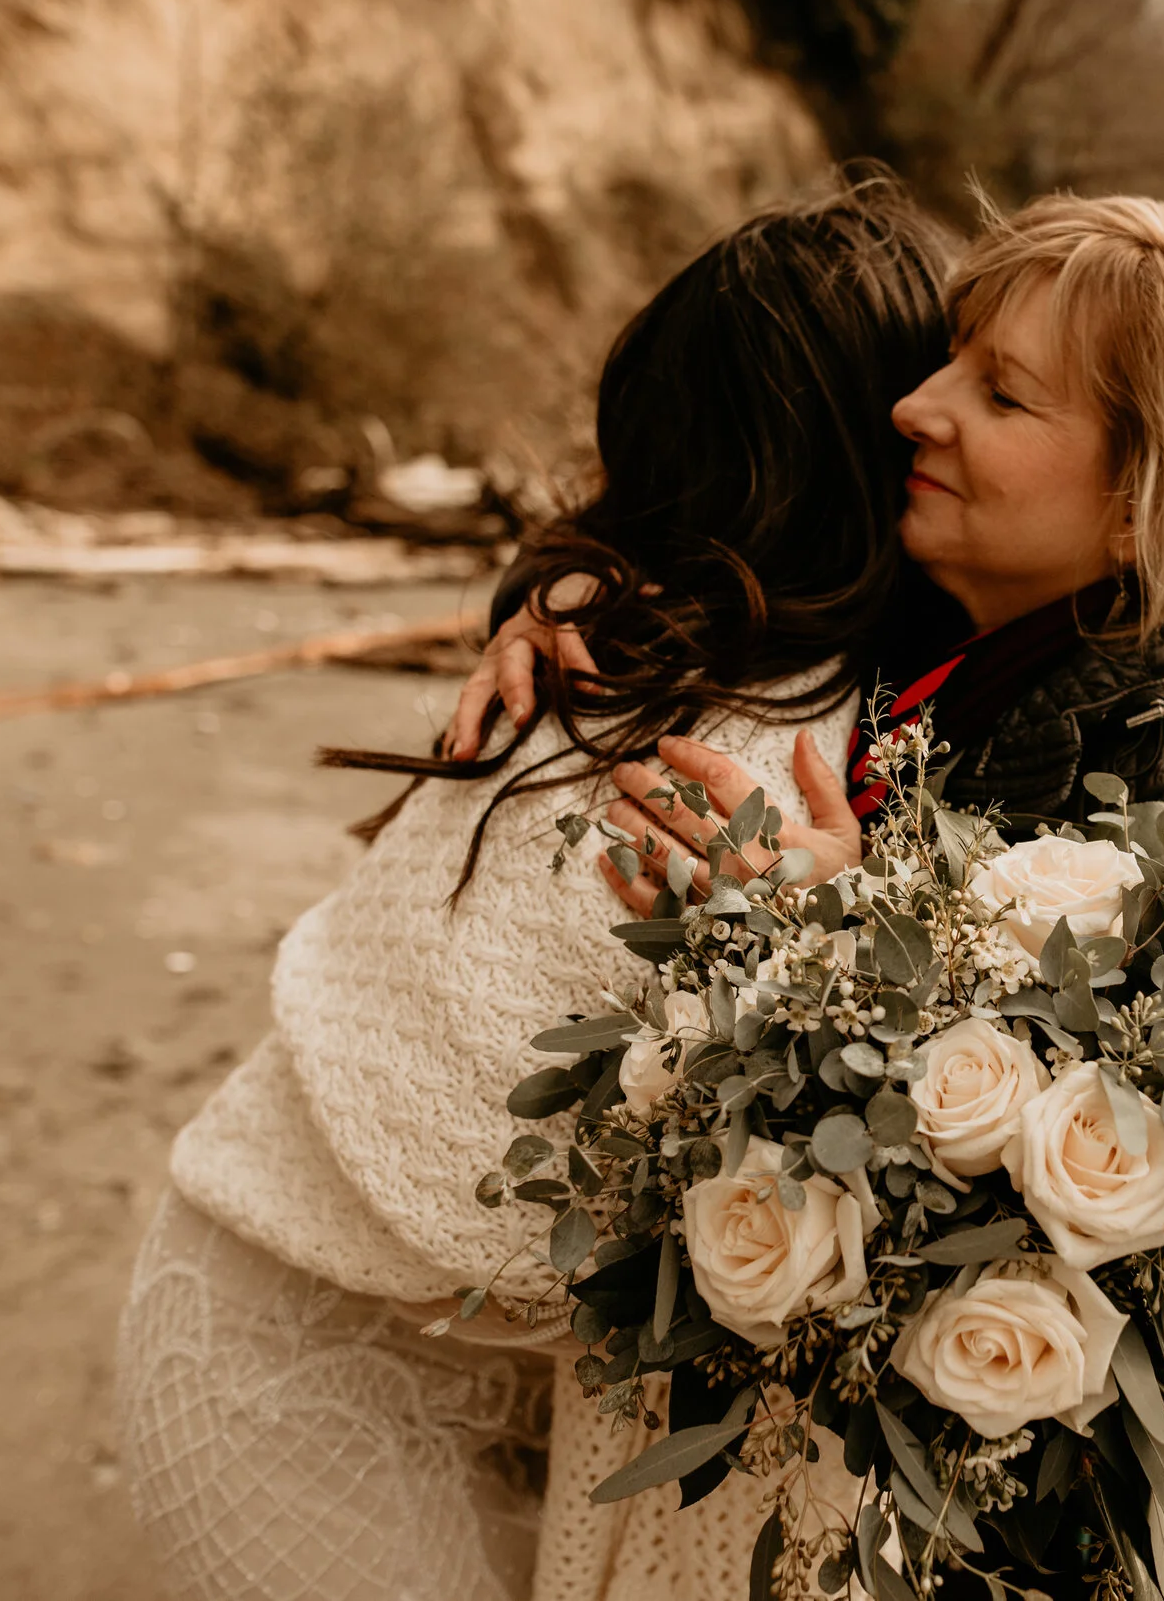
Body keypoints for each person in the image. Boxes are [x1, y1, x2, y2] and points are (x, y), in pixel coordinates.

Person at [453, 194, 1164, 1600]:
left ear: (1148, 499)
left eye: (1000, 391)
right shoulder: (968, 612)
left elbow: (1119, 1198)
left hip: (1151, 1518)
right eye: (948, 360)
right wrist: (572, 587)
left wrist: (865, 933)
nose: (912, 405)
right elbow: (732, 538)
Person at [113, 181, 960, 1601]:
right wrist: (559, 590)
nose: (954, 423)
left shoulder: (878, 685)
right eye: (942, 395)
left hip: (561, 1414)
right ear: (864, 441)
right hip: (283, 1342)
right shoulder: (654, 694)